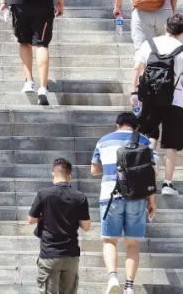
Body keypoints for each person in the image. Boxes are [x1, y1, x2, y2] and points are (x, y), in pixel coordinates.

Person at [130, 13, 183, 196]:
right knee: (171, 143)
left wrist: (134, 93)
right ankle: (167, 183)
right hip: (174, 100)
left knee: (148, 134)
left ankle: (145, 171)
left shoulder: (149, 44)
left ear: (166, 27)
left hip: (150, 97)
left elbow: (137, 68)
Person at [91, 112, 156, 294]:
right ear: (136, 127)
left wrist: (112, 168)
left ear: (117, 124)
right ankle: (129, 286)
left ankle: (113, 278)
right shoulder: (144, 141)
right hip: (138, 196)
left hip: (110, 195)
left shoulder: (103, 141)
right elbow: (152, 172)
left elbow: (94, 169)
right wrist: (152, 200)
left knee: (109, 240)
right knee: (132, 243)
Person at [28, 157, 91, 294]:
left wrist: (45, 216)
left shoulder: (43, 194)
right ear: (70, 176)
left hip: (50, 254)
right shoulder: (80, 197)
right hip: (71, 255)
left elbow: (31, 219)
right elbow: (86, 226)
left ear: (53, 174)